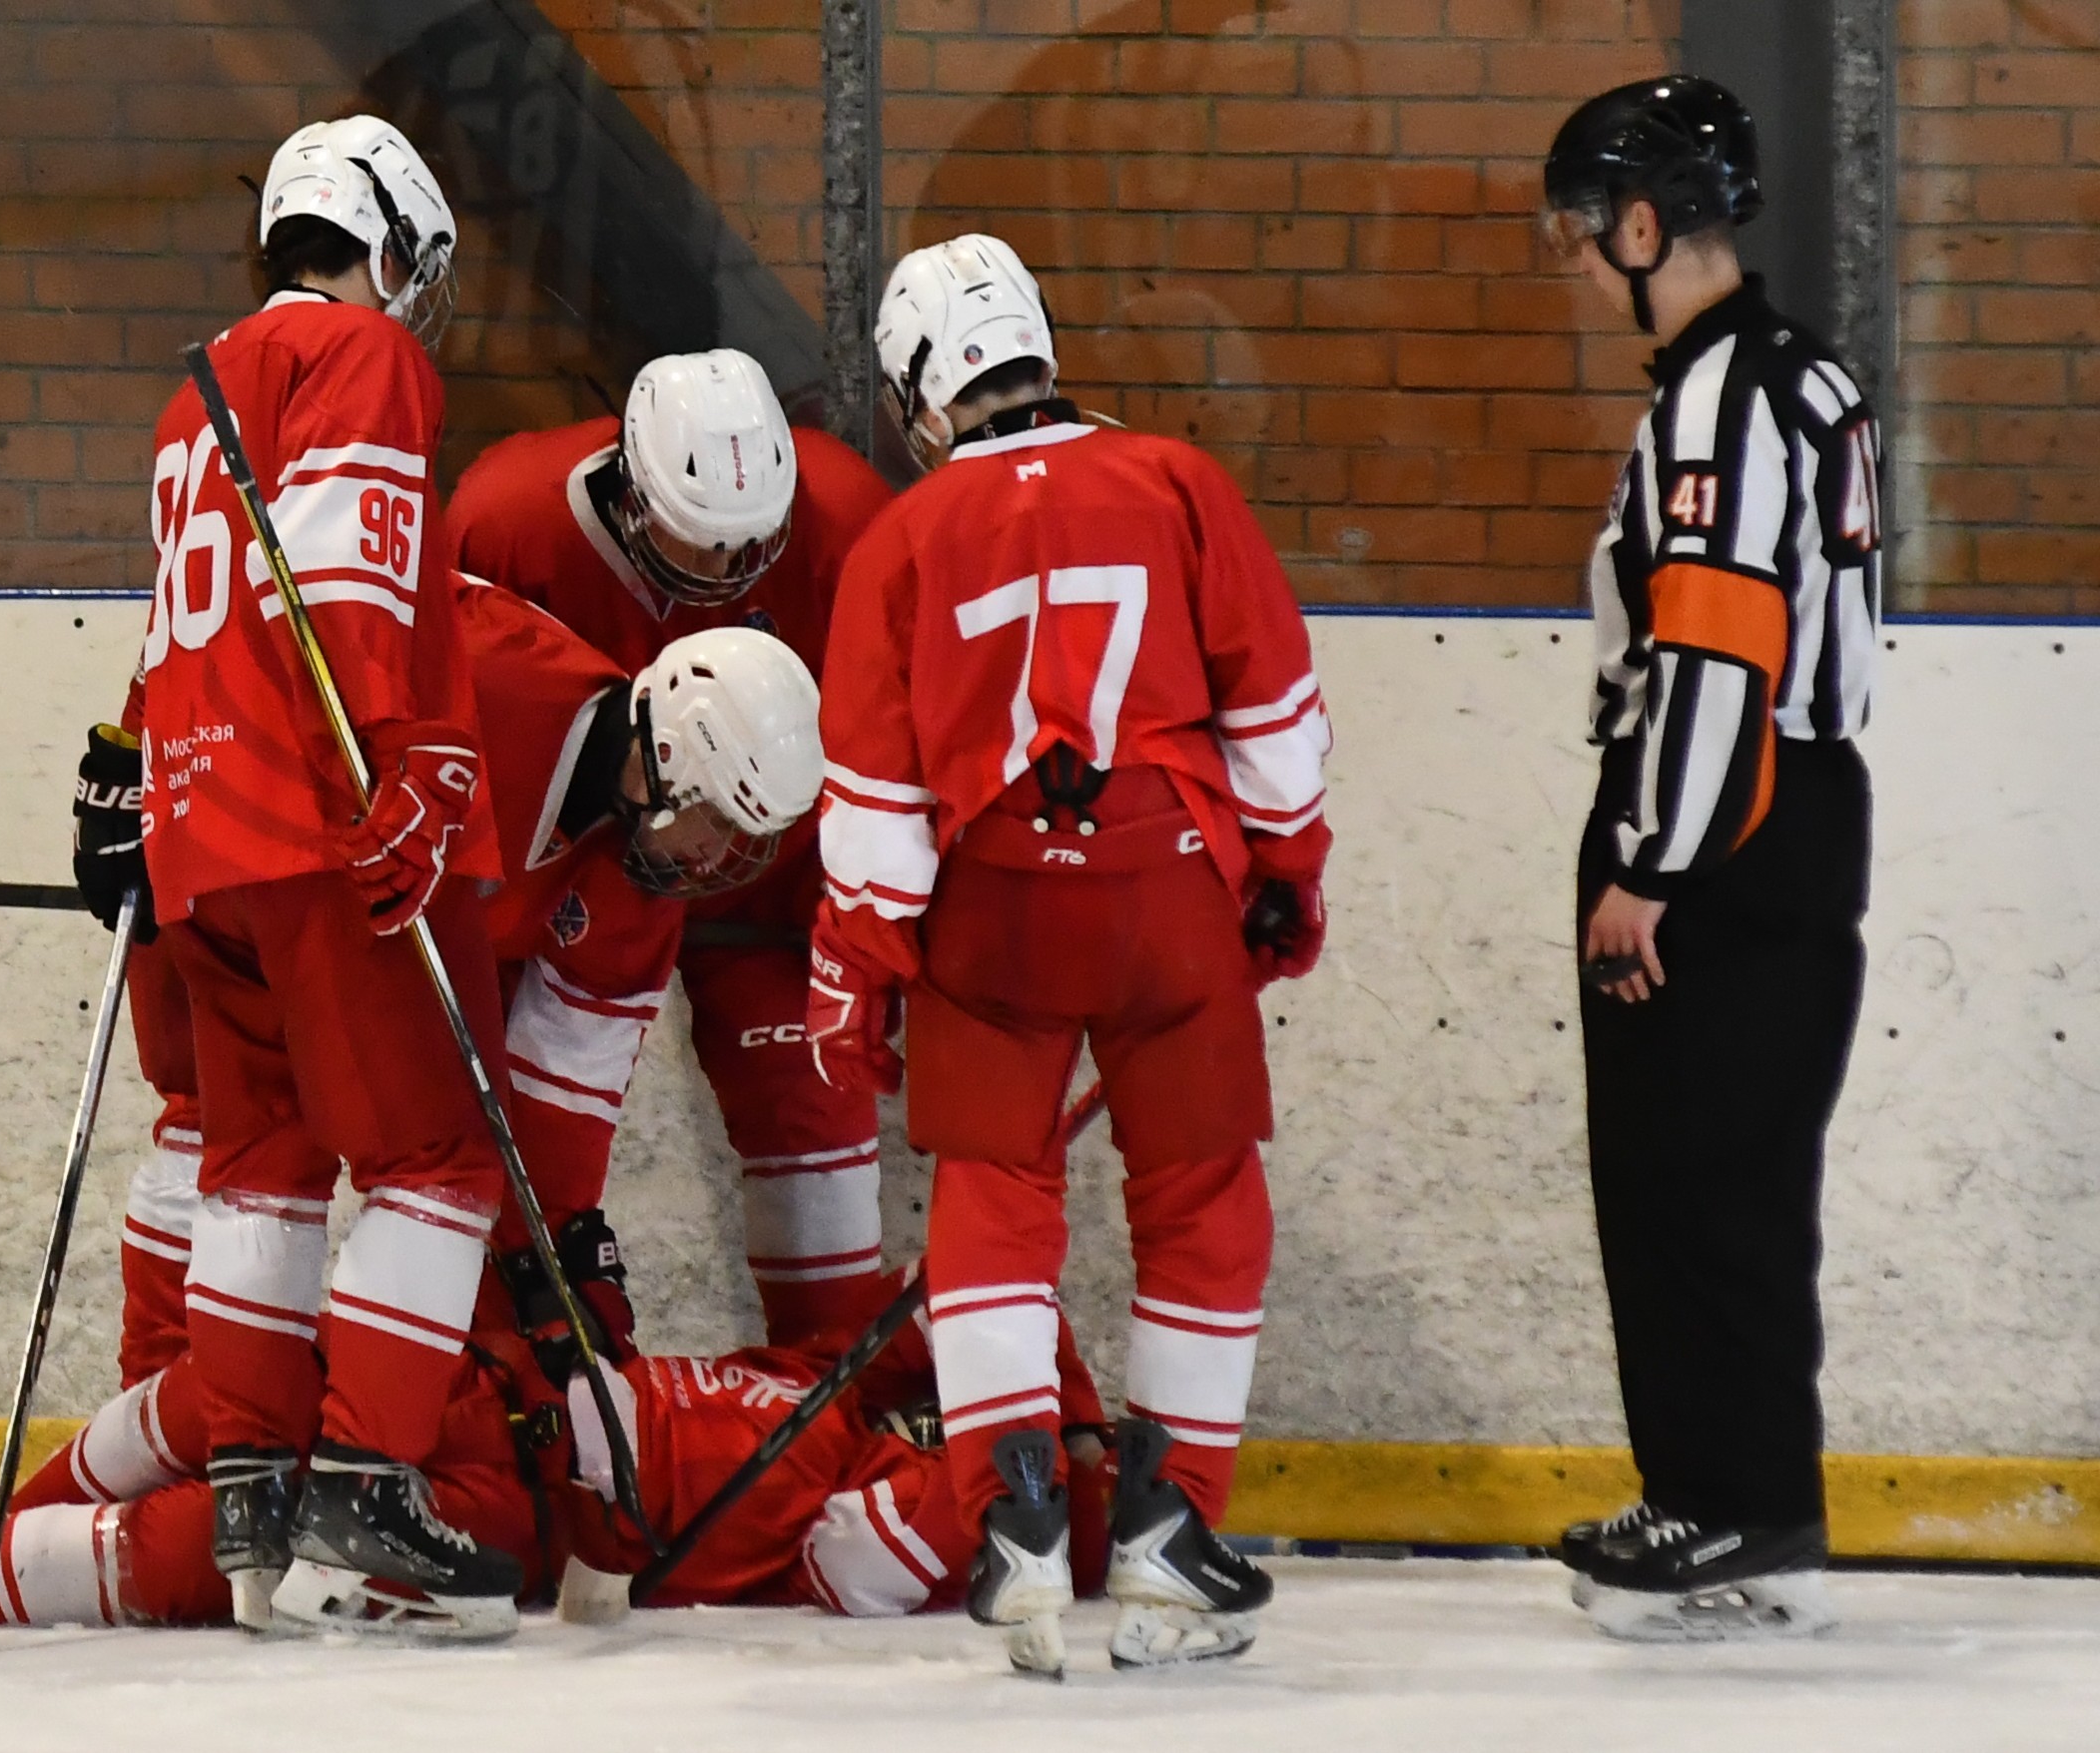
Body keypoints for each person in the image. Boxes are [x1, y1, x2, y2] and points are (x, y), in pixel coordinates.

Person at [804, 234, 1333, 1675]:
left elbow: (872, 804)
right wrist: (1285, 874)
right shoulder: (1174, 480)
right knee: (1204, 1201)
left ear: (920, 393)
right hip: (1167, 891)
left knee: (990, 1199)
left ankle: (1017, 1529)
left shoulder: (900, 542)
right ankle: (1168, 1542)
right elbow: (1275, 712)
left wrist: (854, 969)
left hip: (993, 906)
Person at [65, 579, 829, 1576]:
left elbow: (560, 1103)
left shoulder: (641, 883)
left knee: (429, 1164)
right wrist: (138, 752)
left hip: (365, 919)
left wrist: (555, 1268)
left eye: (744, 845)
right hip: (252, 844)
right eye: (717, 826)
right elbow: (263, 611)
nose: (719, 861)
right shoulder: (481, 667)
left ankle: (251, 1456)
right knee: (227, 1124)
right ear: (668, 762)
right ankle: (171, 1420)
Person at [123, 112, 517, 1636]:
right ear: (396, 245)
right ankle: (363, 1483)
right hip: (318, 822)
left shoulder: (193, 390)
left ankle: (248, 1486)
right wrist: (401, 762)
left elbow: (181, 629)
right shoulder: (364, 359)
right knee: (435, 1158)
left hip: (201, 837)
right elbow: (344, 581)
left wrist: (139, 774)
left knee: (257, 1159)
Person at [1540, 76, 1880, 1642]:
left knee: (1689, 1176)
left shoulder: (1719, 398)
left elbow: (1718, 654)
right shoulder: (1797, 378)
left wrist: (1651, 863)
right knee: (1718, 1174)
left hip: (1722, 820)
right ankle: (1722, 1491)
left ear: (1637, 223)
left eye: (1573, 228)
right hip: (1784, 812)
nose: (1561, 257)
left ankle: (1726, 1496)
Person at [0, 1267, 1115, 1637]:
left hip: (494, 1520)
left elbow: (949, 1515)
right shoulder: (831, 1399)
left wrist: (1041, 1457)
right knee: (229, 1387)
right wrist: (1031, 1361)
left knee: (196, 1555)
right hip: (481, 1388)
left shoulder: (860, 1543)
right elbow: (967, 1306)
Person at [447, 351, 899, 1345]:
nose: (737, 580)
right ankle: (500, 1375)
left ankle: (827, 1384)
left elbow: (903, 729)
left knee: (812, 1107)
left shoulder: (848, 514)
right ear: (636, 499)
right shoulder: (507, 517)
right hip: (584, 866)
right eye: (708, 556)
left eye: (756, 551)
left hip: (777, 869)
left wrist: (898, 909)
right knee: (483, 1133)